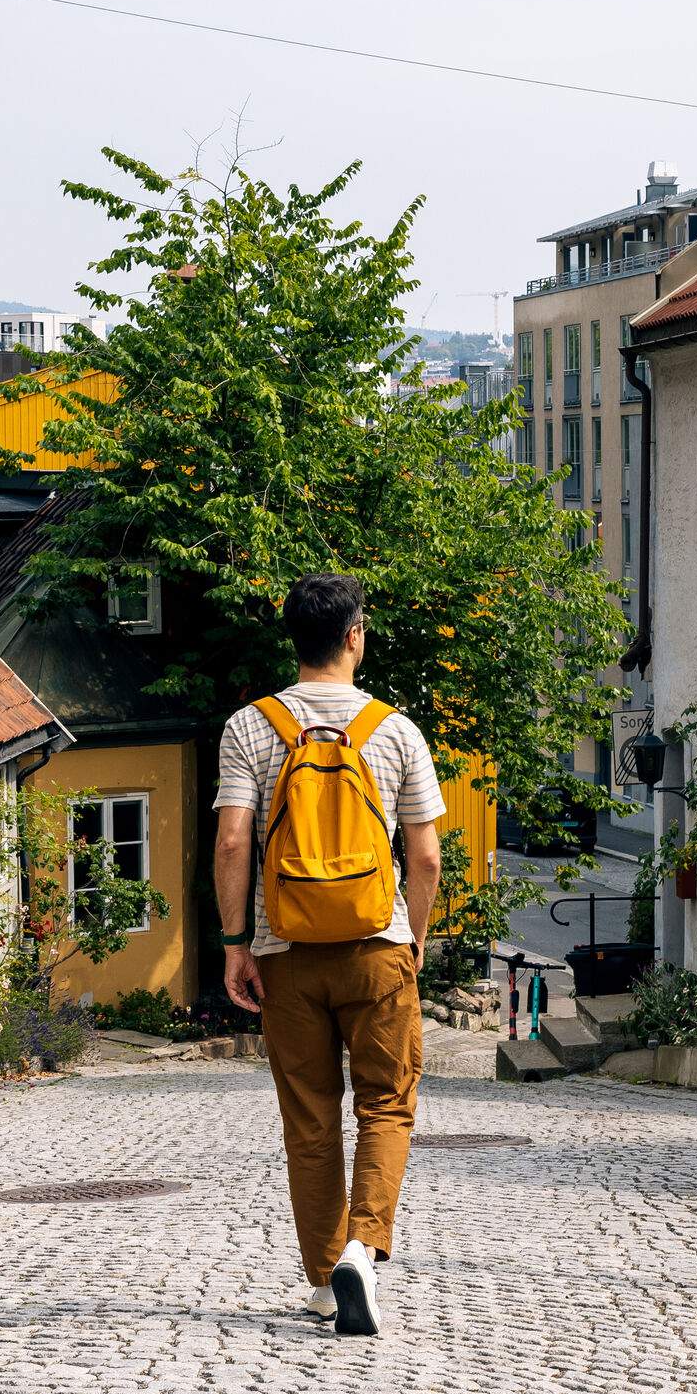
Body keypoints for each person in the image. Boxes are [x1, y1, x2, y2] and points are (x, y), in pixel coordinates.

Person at [214, 573, 444, 1337]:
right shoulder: (396, 730)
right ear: (354, 636)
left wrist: (236, 945)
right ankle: (361, 1248)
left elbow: (233, 841)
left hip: (286, 949)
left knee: (310, 1119)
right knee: (386, 1103)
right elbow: (427, 856)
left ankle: (323, 1280)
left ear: (295, 637)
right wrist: (411, 936)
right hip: (376, 946)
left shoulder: (251, 726)